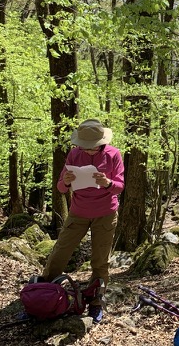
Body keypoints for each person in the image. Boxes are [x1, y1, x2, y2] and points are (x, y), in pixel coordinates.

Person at [41, 118, 125, 324]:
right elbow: (61, 188)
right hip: (78, 212)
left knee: (100, 259)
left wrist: (107, 182)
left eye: (92, 148)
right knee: (60, 252)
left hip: (105, 212)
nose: (87, 151)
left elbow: (120, 186)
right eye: (84, 147)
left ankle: (96, 302)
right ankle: (44, 293)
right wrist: (66, 181)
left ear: (101, 143)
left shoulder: (114, 154)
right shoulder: (74, 153)